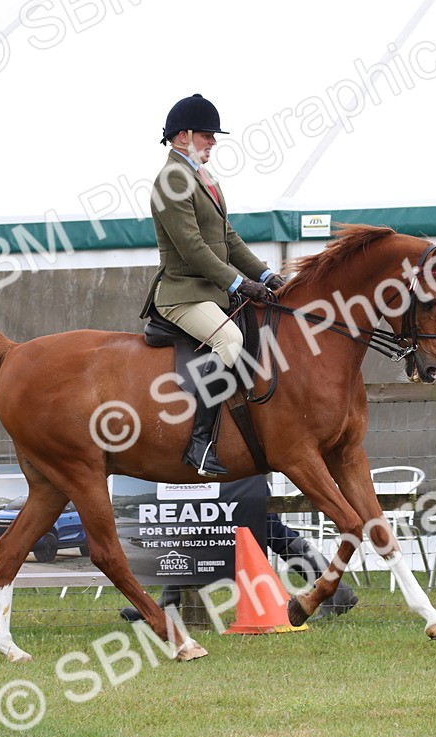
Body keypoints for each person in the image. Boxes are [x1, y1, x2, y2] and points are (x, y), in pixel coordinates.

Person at [140, 93, 286, 477]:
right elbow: (192, 248)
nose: (214, 142)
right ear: (184, 135)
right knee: (230, 341)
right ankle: (200, 443)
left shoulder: (204, 178)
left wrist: (265, 275)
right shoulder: (171, 179)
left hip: (212, 291)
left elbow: (228, 239)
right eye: (207, 134)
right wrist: (238, 282)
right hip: (182, 294)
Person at [119, 512, 359, 623]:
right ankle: (165, 605)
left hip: (238, 458)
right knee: (196, 520)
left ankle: (165, 606)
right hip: (226, 458)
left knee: (268, 527)